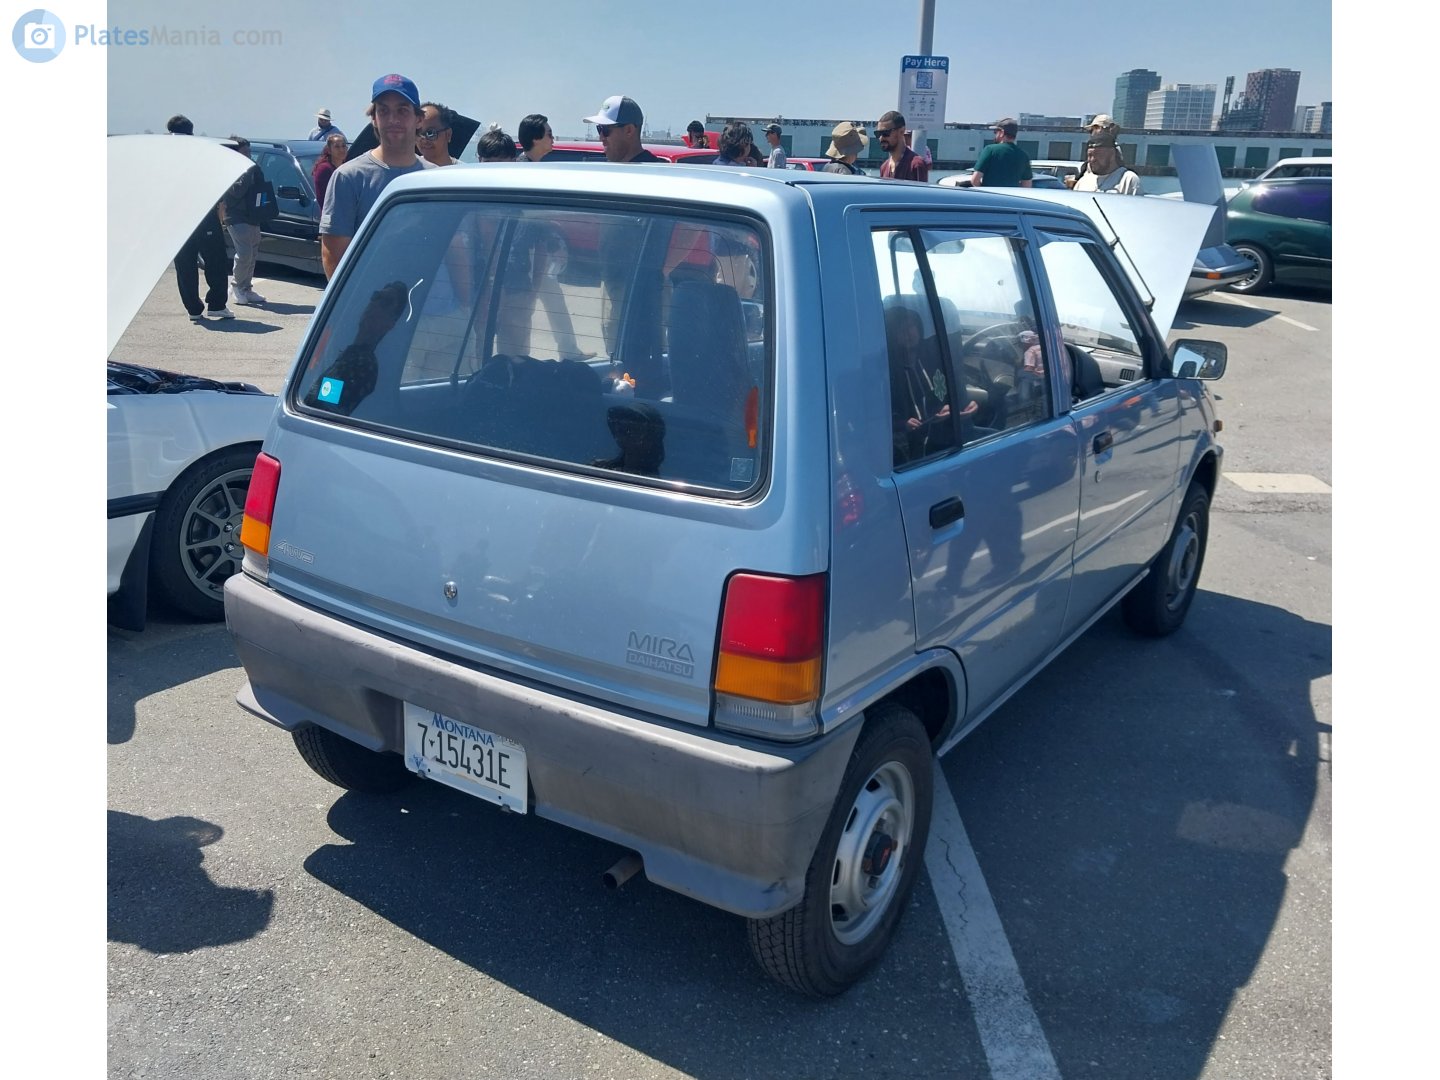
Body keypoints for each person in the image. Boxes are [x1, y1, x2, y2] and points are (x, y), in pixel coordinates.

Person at [319, 74, 435, 279]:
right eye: (383, 111)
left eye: (402, 110)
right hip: (369, 305)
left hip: (427, 302)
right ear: (374, 118)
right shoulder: (349, 177)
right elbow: (333, 257)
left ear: (419, 119)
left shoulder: (435, 179)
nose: (393, 119)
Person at [166, 114, 234, 322]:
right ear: (191, 130)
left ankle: (194, 309)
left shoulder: (164, 152)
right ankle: (216, 304)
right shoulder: (199, 150)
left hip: (176, 216)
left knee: (185, 265)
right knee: (215, 260)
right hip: (202, 214)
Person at [218, 136, 267, 306]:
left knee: (253, 253)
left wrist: (255, 169)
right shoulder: (229, 170)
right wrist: (247, 172)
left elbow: (261, 187)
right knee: (244, 253)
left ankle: (247, 287)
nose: (249, 155)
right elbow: (236, 192)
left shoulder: (252, 168)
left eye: (249, 151)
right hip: (236, 217)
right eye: (245, 152)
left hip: (253, 216)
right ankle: (236, 286)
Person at [583, 95, 662, 163]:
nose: (601, 138)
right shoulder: (610, 172)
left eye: (605, 129)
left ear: (629, 130)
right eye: (599, 128)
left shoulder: (652, 174)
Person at [970, 117, 1033, 188]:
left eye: (995, 132)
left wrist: (985, 192)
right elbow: (1027, 185)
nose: (995, 135)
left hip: (991, 196)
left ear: (1002, 133)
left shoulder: (990, 150)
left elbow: (975, 180)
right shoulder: (1023, 155)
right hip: (1011, 198)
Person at [1072, 135, 1144, 194]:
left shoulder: (1129, 179)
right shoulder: (1084, 181)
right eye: (1090, 155)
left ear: (1112, 155)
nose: (1092, 160)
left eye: (1098, 155)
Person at [876, 110, 928, 183]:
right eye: (878, 134)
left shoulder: (916, 164)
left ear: (901, 131)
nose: (881, 138)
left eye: (885, 133)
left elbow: (922, 193)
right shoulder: (884, 167)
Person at [311, 132, 347, 216]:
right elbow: (324, 200)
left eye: (343, 146)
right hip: (332, 218)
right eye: (337, 147)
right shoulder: (324, 169)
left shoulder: (346, 167)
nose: (341, 149)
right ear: (329, 150)